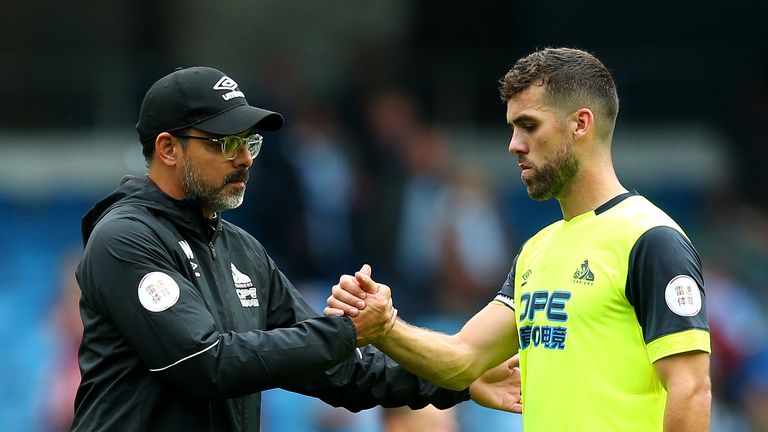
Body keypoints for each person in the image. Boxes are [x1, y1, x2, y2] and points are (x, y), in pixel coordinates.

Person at [72, 66, 521, 431]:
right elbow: (206, 362)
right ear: (168, 149)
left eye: (250, 142)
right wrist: (347, 331)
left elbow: (343, 371)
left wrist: (458, 378)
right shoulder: (125, 239)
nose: (245, 158)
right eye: (225, 143)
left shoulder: (241, 251)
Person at [326, 47, 712, 431]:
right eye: (513, 128)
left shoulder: (649, 239)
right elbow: (463, 357)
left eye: (529, 126)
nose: (514, 144)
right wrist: (385, 327)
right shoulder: (537, 251)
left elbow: (691, 390)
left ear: (581, 124)